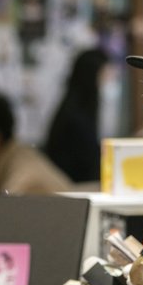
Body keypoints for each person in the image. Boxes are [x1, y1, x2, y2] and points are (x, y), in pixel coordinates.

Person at [43, 47, 109, 184]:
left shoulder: (75, 105)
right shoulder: (77, 115)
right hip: (72, 186)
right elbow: (89, 160)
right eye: (104, 74)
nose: (107, 80)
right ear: (93, 74)